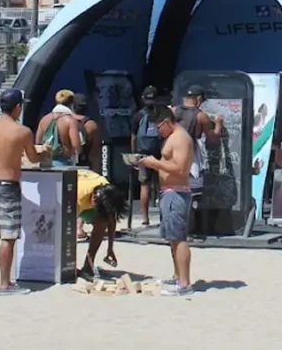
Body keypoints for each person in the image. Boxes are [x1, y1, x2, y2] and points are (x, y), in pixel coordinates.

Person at [0, 89, 42, 295]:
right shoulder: (21, 131)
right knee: (8, 236)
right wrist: (45, 151)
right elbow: (33, 159)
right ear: (18, 108)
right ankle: (5, 284)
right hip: (7, 185)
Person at [137, 106, 195, 297]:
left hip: (176, 193)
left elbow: (180, 169)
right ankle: (178, 276)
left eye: (158, 127)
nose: (158, 131)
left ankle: (185, 284)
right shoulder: (173, 137)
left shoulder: (180, 138)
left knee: (179, 239)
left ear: (167, 122)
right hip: (170, 193)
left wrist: (155, 163)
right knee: (172, 238)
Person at [173, 85, 223, 238]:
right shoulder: (201, 116)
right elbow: (213, 138)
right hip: (191, 159)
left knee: (176, 194)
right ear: (199, 99)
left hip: (173, 155)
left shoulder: (173, 111)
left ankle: (175, 230)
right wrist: (219, 124)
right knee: (191, 197)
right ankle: (187, 232)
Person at [76, 169, 126, 277]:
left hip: (89, 196)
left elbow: (111, 220)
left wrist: (110, 248)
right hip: (72, 194)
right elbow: (66, 227)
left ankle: (88, 265)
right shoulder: (78, 196)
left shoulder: (108, 193)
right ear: (94, 198)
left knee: (102, 222)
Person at [71, 93, 102, 240]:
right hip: (85, 165)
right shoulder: (92, 125)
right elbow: (95, 152)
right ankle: (79, 227)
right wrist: (97, 171)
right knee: (84, 197)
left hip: (68, 165)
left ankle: (71, 227)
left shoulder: (65, 122)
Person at [132, 86, 164, 226]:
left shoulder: (138, 115)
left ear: (143, 99)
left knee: (144, 185)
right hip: (159, 153)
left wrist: (134, 154)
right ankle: (163, 216)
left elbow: (133, 136)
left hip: (143, 153)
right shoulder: (162, 114)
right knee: (161, 186)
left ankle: (145, 218)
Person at [36, 89, 82, 167]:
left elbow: (38, 142)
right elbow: (76, 146)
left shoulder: (44, 119)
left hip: (45, 163)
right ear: (72, 103)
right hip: (63, 163)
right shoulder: (70, 121)